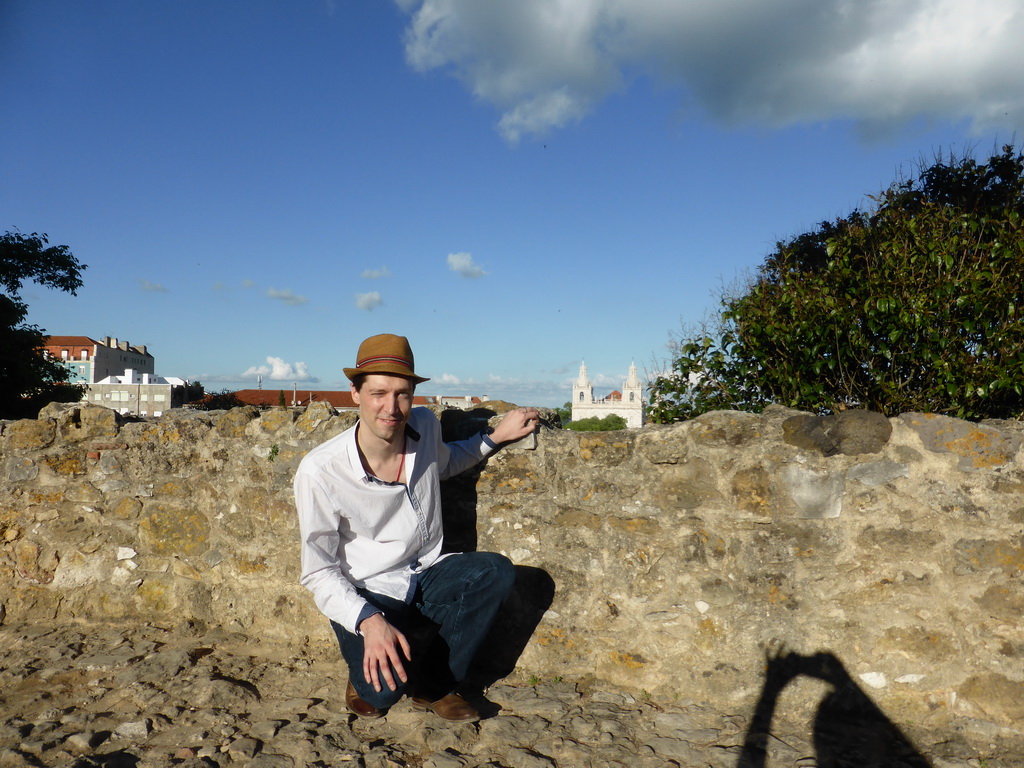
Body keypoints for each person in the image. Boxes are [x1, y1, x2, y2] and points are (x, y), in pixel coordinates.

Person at [294, 333, 540, 722]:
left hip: (423, 573)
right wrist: (368, 621)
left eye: (402, 394)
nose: (391, 408)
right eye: (378, 393)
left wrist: (495, 437)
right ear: (354, 393)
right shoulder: (321, 471)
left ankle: (432, 687)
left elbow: (444, 463)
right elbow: (319, 571)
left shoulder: (424, 425)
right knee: (380, 696)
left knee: (494, 572)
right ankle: (367, 667)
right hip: (369, 592)